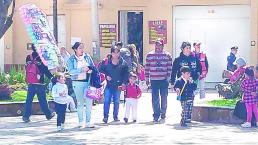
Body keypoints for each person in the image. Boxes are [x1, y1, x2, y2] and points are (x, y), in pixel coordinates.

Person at [22, 44, 55, 123]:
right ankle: (48, 114)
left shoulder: (28, 57)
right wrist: (52, 78)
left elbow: (27, 68)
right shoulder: (42, 58)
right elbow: (45, 70)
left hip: (31, 82)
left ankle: (26, 116)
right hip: (40, 82)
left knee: (29, 100)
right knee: (43, 100)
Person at [171, 41, 202, 122]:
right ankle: (184, 115)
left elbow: (199, 68)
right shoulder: (178, 60)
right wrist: (172, 83)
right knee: (184, 101)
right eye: (186, 48)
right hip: (182, 83)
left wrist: (197, 75)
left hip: (192, 82)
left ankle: (188, 116)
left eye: (189, 48)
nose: (188, 50)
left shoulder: (194, 58)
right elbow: (173, 71)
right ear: (182, 49)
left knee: (191, 99)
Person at [67, 42, 95, 128]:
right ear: (75, 49)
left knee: (89, 103)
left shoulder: (87, 56)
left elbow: (92, 66)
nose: (82, 50)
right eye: (80, 48)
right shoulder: (71, 59)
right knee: (80, 103)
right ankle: (80, 121)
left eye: (83, 48)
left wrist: (90, 70)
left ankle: (88, 122)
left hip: (88, 82)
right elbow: (71, 71)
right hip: (77, 82)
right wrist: (82, 69)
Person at [145, 38, 172, 123]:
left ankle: (163, 113)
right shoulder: (149, 55)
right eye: (156, 44)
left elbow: (169, 68)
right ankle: (156, 115)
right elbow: (147, 68)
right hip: (154, 80)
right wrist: (147, 79)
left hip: (163, 80)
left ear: (163, 46)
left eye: (160, 45)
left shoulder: (167, 55)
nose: (158, 46)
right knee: (155, 98)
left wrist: (168, 79)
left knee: (164, 97)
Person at [99, 46, 129, 123]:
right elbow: (100, 69)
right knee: (106, 101)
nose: (115, 54)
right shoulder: (106, 61)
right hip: (109, 85)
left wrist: (124, 83)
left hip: (118, 85)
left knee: (116, 101)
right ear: (111, 53)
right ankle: (105, 117)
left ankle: (115, 116)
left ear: (119, 53)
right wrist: (106, 76)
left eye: (117, 52)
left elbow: (126, 74)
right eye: (114, 52)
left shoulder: (123, 62)